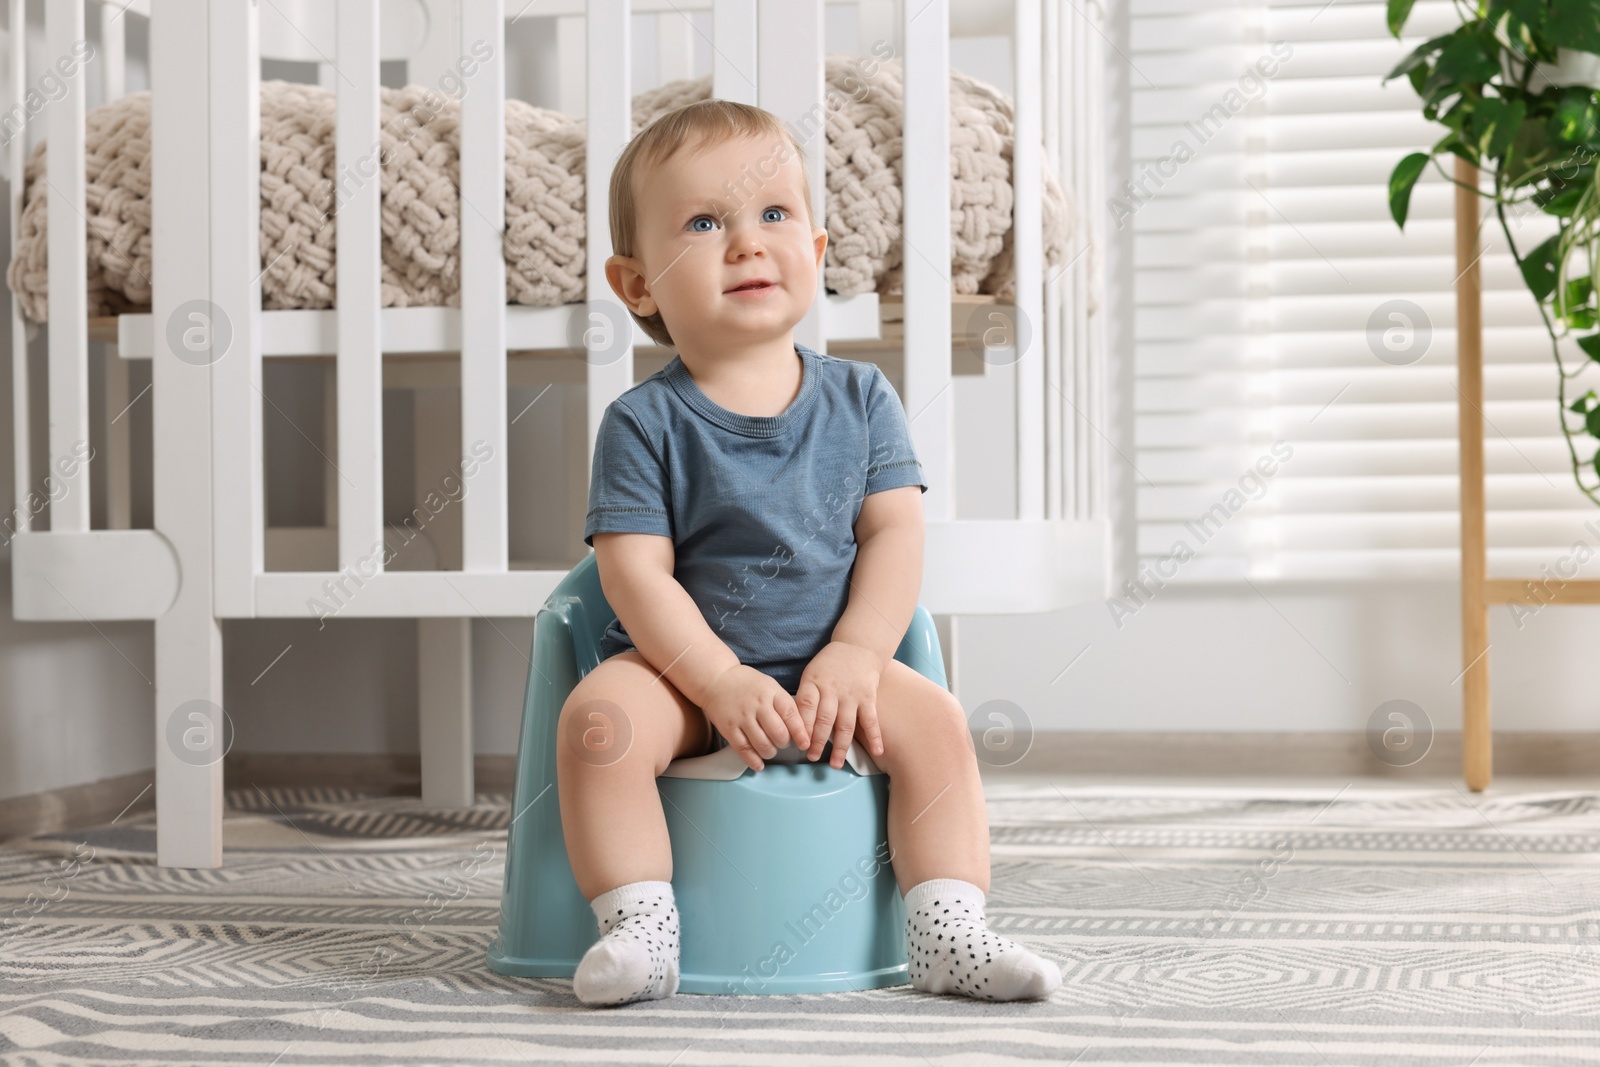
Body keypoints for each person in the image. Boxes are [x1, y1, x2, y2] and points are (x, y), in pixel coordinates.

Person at [559, 97, 1062, 1007]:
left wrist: (859, 654)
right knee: (597, 722)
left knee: (940, 724)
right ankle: (641, 927)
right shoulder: (643, 422)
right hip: (690, 681)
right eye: (705, 223)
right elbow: (633, 572)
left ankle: (949, 929)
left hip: (841, 671)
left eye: (773, 215)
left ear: (818, 253)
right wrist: (713, 679)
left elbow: (894, 535)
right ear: (636, 286)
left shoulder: (862, 398)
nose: (747, 243)